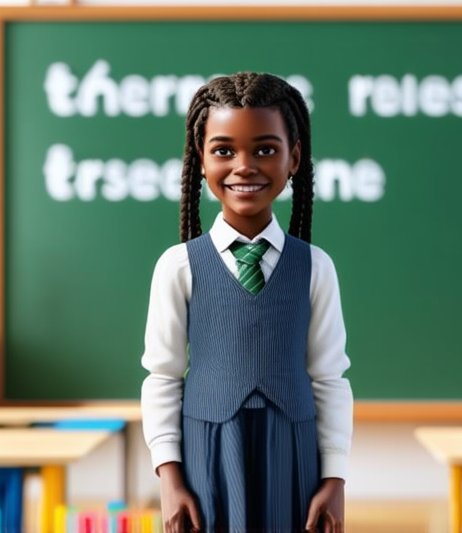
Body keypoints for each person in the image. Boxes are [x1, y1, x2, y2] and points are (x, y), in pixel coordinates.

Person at [141, 72, 353, 533]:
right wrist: (169, 476)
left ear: (294, 157)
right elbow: (162, 375)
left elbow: (330, 377)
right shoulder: (178, 266)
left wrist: (334, 477)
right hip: (207, 452)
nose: (244, 166)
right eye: (223, 150)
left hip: (292, 452)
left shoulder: (316, 267)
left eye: (264, 149)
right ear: (200, 159)